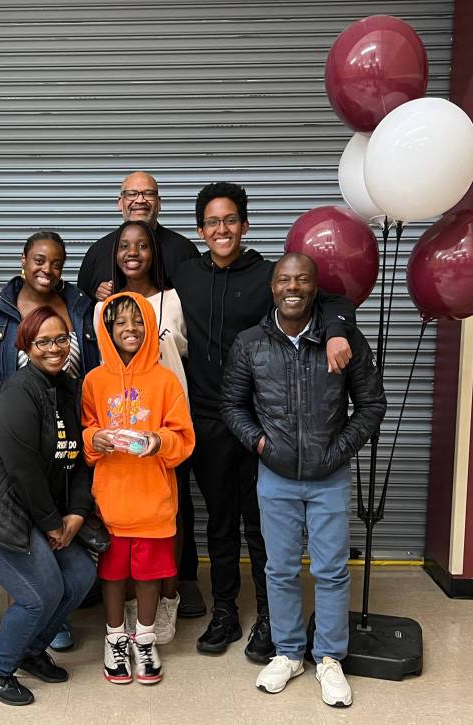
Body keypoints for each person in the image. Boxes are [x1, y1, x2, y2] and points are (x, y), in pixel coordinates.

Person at [170, 182, 356, 661]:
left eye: (230, 220)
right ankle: (226, 611)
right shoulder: (186, 275)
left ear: (245, 225)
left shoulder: (271, 274)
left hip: (264, 424)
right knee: (220, 522)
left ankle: (272, 619)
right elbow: (137, 288)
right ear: (200, 230)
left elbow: (330, 299)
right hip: (210, 418)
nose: (222, 229)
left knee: (260, 523)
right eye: (212, 222)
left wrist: (335, 333)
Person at [221, 253, 386, 707]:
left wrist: (338, 450)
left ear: (315, 288)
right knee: (279, 568)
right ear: (272, 287)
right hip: (274, 476)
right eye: (284, 279)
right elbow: (232, 406)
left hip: (328, 475)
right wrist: (261, 445)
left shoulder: (342, 338)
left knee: (331, 570)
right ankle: (290, 652)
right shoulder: (251, 343)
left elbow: (372, 404)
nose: (292, 287)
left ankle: (329, 658)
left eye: (302, 279)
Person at [0, 306, 98, 706]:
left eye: (61, 339)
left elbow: (78, 458)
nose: (54, 348)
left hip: (32, 510)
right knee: (39, 592)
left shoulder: (68, 387)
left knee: (80, 574)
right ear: (26, 347)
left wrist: (77, 513)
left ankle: (30, 650)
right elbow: (22, 468)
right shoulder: (19, 392)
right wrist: (51, 524)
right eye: (42, 341)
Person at [0, 229, 97, 650]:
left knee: (58, 517)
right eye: (40, 260)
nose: (49, 270)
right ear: (24, 260)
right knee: (22, 524)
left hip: (70, 424)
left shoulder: (80, 305)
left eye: (58, 263)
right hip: (19, 432)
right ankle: (31, 619)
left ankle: (51, 612)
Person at [82, 292, 196, 685]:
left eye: (137, 321)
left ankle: (144, 639)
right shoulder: (94, 380)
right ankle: (115, 638)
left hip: (153, 501)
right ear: (107, 331)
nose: (129, 329)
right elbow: (85, 429)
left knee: (148, 574)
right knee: (113, 574)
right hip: (110, 500)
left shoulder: (164, 380)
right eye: (119, 323)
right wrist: (93, 439)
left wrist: (157, 442)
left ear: (151, 327)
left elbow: (184, 438)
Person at [94, 219, 197, 637]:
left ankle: (166, 598)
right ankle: (128, 614)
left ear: (155, 252)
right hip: (120, 434)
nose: (133, 252)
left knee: (170, 514)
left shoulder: (175, 298)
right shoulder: (105, 305)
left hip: (168, 419)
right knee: (122, 525)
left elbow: (193, 350)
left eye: (142, 245)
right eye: (124, 245)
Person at [77, 170, 199, 303]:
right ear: (120, 202)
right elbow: (81, 310)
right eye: (131, 194)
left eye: (149, 194)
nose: (140, 200)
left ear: (159, 203)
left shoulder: (184, 251)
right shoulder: (97, 252)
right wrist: (96, 296)